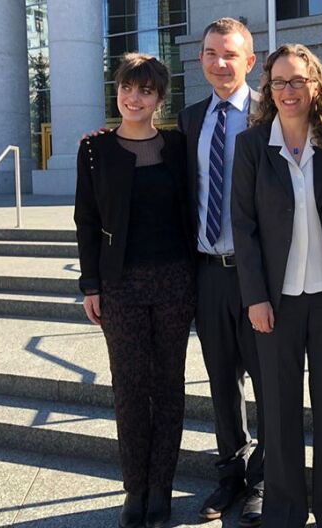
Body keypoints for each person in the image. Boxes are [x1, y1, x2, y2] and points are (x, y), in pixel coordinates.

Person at [231, 43, 322, 528]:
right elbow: (243, 226)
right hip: (275, 301)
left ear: (316, 86)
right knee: (279, 408)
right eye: (279, 82)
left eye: (298, 80)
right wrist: (255, 297)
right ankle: (284, 512)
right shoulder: (251, 146)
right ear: (268, 88)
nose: (288, 90)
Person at [74, 52, 195, 528]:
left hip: (174, 281)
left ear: (160, 98)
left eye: (146, 90)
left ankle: (161, 485)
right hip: (120, 285)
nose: (134, 98)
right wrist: (90, 284)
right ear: (117, 90)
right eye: (127, 87)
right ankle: (134, 488)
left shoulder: (177, 146)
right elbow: (86, 220)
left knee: (168, 386)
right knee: (128, 387)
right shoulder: (94, 149)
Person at [176, 17, 266, 526]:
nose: (220, 63)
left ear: (249, 61)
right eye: (211, 53)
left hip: (257, 276)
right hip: (208, 272)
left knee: (267, 381)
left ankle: (264, 479)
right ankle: (230, 473)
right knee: (222, 382)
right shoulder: (190, 119)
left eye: (230, 54)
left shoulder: (269, 113)